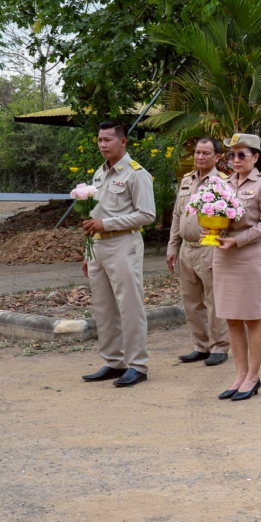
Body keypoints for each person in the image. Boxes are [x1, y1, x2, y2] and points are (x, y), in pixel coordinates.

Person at [80, 120, 157, 388]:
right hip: (98, 247)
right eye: (100, 140)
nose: (102, 145)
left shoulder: (136, 174)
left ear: (123, 142)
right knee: (104, 307)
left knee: (129, 306)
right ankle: (113, 361)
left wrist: (107, 225)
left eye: (108, 140)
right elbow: (94, 215)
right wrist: (87, 251)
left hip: (123, 244)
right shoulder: (99, 175)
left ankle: (137, 364)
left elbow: (147, 215)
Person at [214, 134, 261, 401]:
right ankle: (240, 374)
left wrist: (237, 240)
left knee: (253, 317)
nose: (236, 160)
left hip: (248, 256)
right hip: (223, 256)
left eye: (242, 154)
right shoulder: (223, 184)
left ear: (255, 157)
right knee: (231, 317)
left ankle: (253, 375)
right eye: (232, 155)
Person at [166, 136, 230, 368]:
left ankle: (220, 346)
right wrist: (172, 248)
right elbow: (177, 215)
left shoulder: (223, 182)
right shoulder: (186, 181)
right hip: (186, 249)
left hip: (209, 248)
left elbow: (229, 219)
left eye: (206, 153)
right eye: (197, 153)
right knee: (191, 300)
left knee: (214, 299)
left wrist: (220, 250)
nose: (200, 157)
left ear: (217, 157)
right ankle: (200, 345)